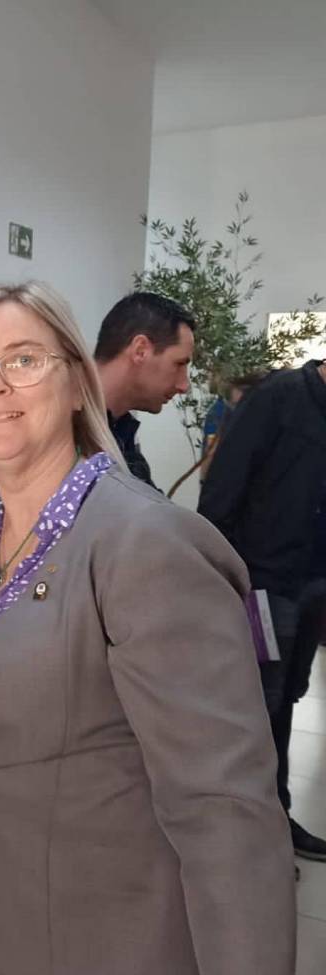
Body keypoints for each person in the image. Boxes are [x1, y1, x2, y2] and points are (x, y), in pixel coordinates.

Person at [0, 280, 295, 975]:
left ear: (75, 381)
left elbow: (225, 814)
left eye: (22, 360)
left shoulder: (144, 543)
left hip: (103, 971)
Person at [199, 359, 326, 862]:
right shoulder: (277, 398)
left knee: (287, 699)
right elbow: (221, 492)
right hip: (263, 587)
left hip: (312, 585)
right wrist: (220, 584)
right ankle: (239, 835)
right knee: (254, 707)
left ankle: (275, 818)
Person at [94, 291, 195, 488]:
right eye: (179, 364)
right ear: (140, 350)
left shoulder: (121, 433)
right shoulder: (59, 433)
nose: (184, 386)